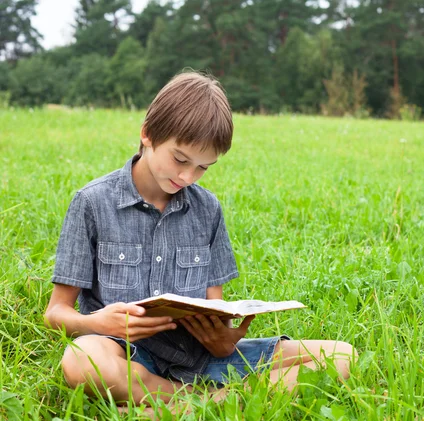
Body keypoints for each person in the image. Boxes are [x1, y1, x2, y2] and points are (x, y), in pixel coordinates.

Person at [44, 71, 355, 405]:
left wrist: (224, 341)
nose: (186, 176)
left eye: (203, 167)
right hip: (125, 353)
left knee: (342, 356)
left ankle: (181, 405)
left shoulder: (208, 209)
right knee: (80, 361)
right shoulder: (92, 202)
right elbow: (56, 313)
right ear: (148, 134)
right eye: (180, 159)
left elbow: (214, 307)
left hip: (202, 357)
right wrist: (99, 322)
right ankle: (212, 402)